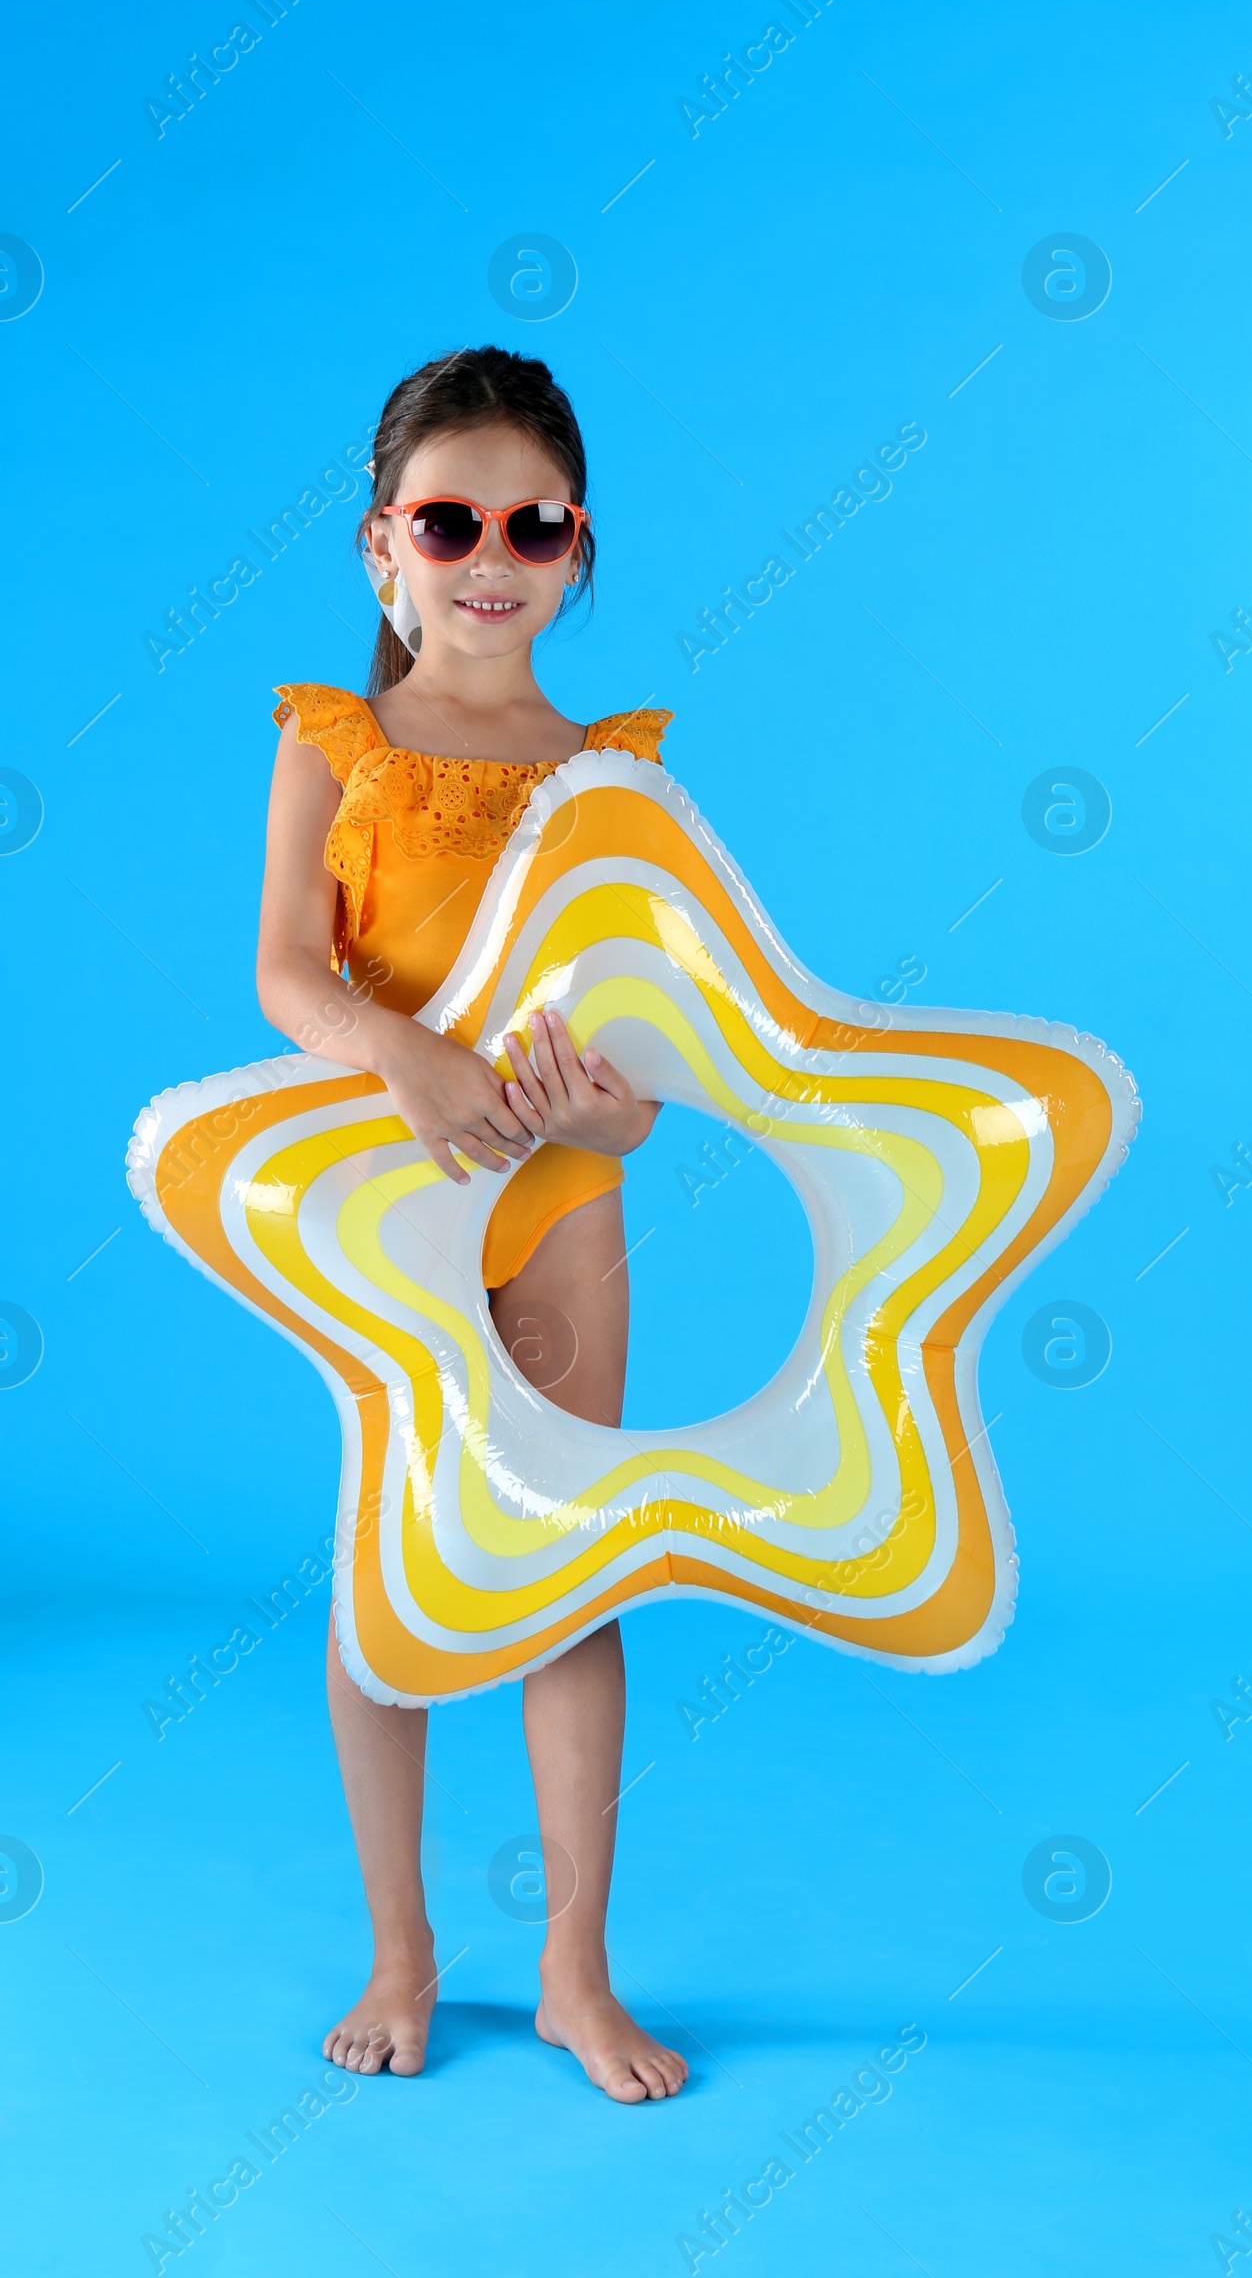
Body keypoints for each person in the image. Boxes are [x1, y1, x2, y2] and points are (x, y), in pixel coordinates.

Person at [256, 344, 686, 2102]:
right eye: (452, 520)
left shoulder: (617, 778)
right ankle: (401, 1951)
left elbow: (660, 1050)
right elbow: (288, 968)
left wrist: (609, 1113)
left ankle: (575, 1972)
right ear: (384, 547)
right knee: (393, 1590)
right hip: (389, 1217)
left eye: (535, 521)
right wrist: (403, 1052)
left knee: (570, 1583)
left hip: (565, 1216)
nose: (491, 550)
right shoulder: (338, 745)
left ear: (579, 548)